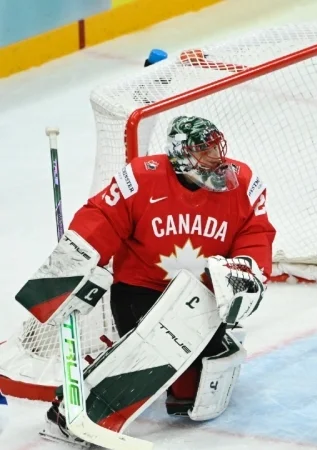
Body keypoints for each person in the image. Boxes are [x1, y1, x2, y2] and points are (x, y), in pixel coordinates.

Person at [15, 115, 275, 444]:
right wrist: (77, 260)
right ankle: (75, 410)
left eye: (215, 148)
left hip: (201, 296)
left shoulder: (244, 185)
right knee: (152, 351)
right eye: (202, 150)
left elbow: (256, 232)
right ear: (180, 155)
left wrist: (246, 267)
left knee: (195, 394)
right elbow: (103, 216)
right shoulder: (141, 178)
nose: (214, 157)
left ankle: (174, 373)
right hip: (141, 289)